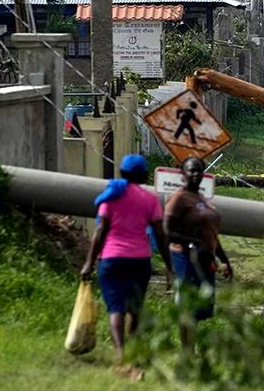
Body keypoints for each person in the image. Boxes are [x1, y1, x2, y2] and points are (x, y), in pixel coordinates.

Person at [80, 154, 172, 363]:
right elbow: (160, 233)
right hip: (140, 260)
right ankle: (132, 350)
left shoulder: (111, 195)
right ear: (144, 176)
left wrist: (89, 262)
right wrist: (169, 265)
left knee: (116, 308)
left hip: (112, 259)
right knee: (135, 308)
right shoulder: (150, 200)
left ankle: (120, 353)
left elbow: (101, 230)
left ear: (122, 173)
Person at [165, 156, 232, 350]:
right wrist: (194, 243)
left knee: (200, 308)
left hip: (205, 258)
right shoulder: (179, 198)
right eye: (190, 170)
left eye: (198, 170)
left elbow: (212, 235)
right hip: (185, 258)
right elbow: (168, 232)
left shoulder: (201, 198)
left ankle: (193, 347)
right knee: (187, 305)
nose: (195, 174)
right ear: (183, 174)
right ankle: (187, 351)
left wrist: (225, 260)